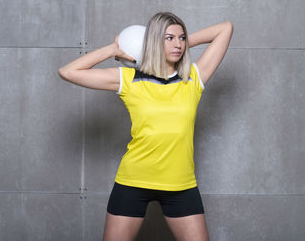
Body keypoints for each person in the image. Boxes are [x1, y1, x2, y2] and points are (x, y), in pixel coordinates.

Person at [59, 12, 233, 241]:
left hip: (180, 184)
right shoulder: (130, 79)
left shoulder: (193, 78)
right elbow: (68, 72)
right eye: (169, 38)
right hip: (134, 181)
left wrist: (178, 45)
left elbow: (225, 28)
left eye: (181, 38)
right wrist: (113, 50)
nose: (177, 44)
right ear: (152, 41)